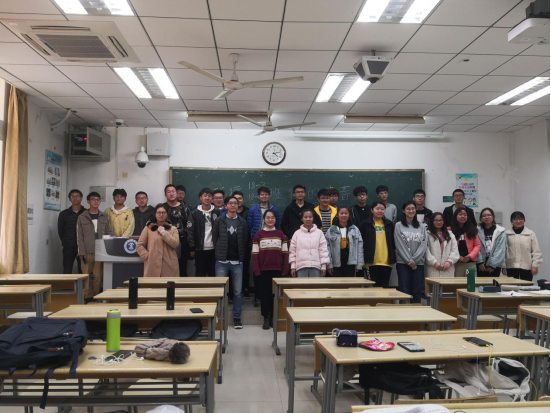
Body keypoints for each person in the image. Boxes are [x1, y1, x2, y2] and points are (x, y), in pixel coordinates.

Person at [213, 196, 248, 329]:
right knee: (220, 291)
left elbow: (245, 240)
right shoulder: (219, 220)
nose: (233, 205)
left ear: (238, 205)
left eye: (235, 203)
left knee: (238, 292)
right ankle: (219, 317)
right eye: (230, 203)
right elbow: (215, 237)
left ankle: (237, 318)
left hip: (237, 262)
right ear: (226, 206)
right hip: (221, 261)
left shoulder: (242, 222)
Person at [252, 210, 289, 329]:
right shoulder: (259, 235)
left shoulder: (280, 234)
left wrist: (285, 269)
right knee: (265, 295)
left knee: (275, 295)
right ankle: (266, 318)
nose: (270, 220)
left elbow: (285, 254)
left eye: (272, 217)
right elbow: (255, 255)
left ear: (275, 220)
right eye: (267, 217)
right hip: (263, 270)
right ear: (264, 219)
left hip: (277, 270)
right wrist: (257, 270)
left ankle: (274, 317)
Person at [77, 192, 113, 302]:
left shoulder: (104, 216)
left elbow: (109, 232)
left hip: (100, 251)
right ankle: (87, 296)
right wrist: (81, 252)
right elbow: (79, 236)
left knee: (98, 275)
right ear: (88, 201)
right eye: (93, 199)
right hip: (86, 251)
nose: (96, 201)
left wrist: (107, 248)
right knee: (86, 275)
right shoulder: (82, 217)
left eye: (98, 199)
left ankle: (97, 296)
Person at [394, 201, 428, 303]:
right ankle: (404, 312)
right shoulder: (398, 225)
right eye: (408, 209)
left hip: (418, 264)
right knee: (404, 291)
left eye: (413, 208)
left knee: (417, 291)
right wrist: (410, 261)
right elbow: (399, 245)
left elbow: (423, 245)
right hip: (403, 263)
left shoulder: (422, 226)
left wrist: (414, 261)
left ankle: (416, 312)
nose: (411, 211)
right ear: (403, 211)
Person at [137, 204, 180, 277]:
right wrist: (148, 256)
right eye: (159, 212)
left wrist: (164, 233)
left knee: (169, 283)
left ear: (167, 214)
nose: (161, 215)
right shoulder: (148, 228)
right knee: (153, 284)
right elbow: (139, 246)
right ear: (155, 214)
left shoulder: (173, 229)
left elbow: (175, 244)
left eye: (163, 212)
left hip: (169, 264)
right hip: (152, 264)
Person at [360, 201, 396, 287]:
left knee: (384, 288)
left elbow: (393, 242)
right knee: (373, 289)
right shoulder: (365, 224)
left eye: (382, 209)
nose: (380, 211)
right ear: (372, 210)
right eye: (377, 209)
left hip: (386, 262)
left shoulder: (389, 224)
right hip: (370, 262)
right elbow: (360, 243)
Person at [163, 184, 195, 277]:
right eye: (169, 192)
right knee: (167, 267)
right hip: (166, 242)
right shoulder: (162, 208)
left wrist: (191, 245)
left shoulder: (185, 208)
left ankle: (182, 286)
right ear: (165, 194)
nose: (171, 194)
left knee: (182, 267)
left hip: (182, 242)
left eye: (173, 191)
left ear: (176, 193)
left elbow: (190, 226)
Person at [289, 210, 329, 278]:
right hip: (301, 267)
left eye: (310, 217)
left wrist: (323, 266)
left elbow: (323, 250)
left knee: (315, 285)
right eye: (305, 217)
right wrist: (293, 266)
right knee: (302, 285)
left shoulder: (319, 233)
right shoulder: (297, 233)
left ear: (313, 218)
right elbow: (292, 251)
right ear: (302, 219)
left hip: (316, 266)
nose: (308, 219)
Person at [504, 211, 543, 281]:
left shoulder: (530, 233)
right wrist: (503, 266)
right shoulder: (507, 234)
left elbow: (536, 251)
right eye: (515, 219)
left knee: (526, 286)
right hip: (511, 266)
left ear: (524, 220)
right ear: (511, 221)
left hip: (526, 267)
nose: (518, 221)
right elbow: (503, 251)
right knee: (512, 286)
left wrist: (535, 266)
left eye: (521, 219)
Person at [326, 207, 364, 277]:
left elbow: (359, 247)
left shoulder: (354, 229)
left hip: (351, 262)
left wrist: (359, 264)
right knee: (336, 283)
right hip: (336, 262)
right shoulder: (332, 230)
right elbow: (327, 249)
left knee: (350, 283)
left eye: (346, 213)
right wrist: (329, 265)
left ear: (349, 215)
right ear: (337, 215)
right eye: (341, 213)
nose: (344, 215)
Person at [191, 188, 220, 277]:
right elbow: (190, 231)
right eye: (205, 196)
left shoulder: (217, 212)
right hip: (199, 249)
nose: (207, 198)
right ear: (201, 198)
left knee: (213, 274)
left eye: (209, 196)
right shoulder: (194, 213)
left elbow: (220, 230)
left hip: (214, 249)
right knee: (200, 274)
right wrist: (192, 248)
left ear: (212, 198)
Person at [58, 189, 86, 274]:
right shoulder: (63, 214)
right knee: (67, 269)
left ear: (81, 198)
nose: (75, 198)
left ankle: (82, 284)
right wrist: (66, 241)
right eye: (72, 197)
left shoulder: (86, 213)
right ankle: (67, 283)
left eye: (77, 196)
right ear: (69, 199)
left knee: (83, 270)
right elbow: (60, 231)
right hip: (68, 246)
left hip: (83, 247)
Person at [425, 212, 459, 277]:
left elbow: (455, 250)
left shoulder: (450, 234)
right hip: (433, 269)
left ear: (444, 222)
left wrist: (449, 262)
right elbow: (426, 251)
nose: (438, 222)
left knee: (447, 284)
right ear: (432, 221)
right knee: (433, 283)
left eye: (440, 220)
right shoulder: (427, 234)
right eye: (436, 220)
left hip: (448, 269)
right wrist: (434, 263)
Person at [232, 191, 252, 297]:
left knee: (245, 267)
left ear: (243, 200)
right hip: (232, 246)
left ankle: (245, 288)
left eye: (240, 198)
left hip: (245, 244)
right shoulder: (229, 212)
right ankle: (233, 291)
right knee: (232, 269)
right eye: (235, 199)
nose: (238, 201)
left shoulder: (248, 211)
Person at [450, 207, 481, 277]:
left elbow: (477, 245)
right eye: (460, 214)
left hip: (470, 262)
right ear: (455, 216)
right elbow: (448, 247)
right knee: (457, 283)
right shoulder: (449, 230)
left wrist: (470, 256)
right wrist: (457, 256)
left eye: (465, 215)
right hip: (456, 263)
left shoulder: (473, 230)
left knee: (471, 282)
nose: (463, 216)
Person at [476, 208, 505, 277]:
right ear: (481, 218)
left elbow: (500, 249)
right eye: (484, 216)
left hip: (495, 264)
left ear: (493, 216)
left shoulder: (500, 231)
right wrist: (479, 262)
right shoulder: (476, 230)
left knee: (493, 283)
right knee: (481, 283)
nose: (486, 217)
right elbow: (476, 247)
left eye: (489, 215)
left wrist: (493, 265)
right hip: (481, 264)